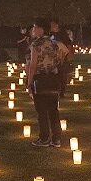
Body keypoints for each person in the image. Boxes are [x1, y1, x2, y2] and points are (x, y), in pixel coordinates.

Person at [27, 18, 68, 148]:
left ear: (40, 29)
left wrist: (29, 82)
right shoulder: (55, 43)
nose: (33, 30)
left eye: (34, 27)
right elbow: (65, 52)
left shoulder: (36, 44)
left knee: (42, 111)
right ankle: (56, 139)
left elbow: (33, 65)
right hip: (54, 79)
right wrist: (56, 64)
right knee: (54, 111)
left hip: (41, 80)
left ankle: (44, 138)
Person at [50, 17, 74, 97]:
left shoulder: (62, 34)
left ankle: (61, 92)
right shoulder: (49, 34)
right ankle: (55, 90)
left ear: (56, 25)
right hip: (53, 58)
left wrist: (69, 54)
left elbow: (68, 44)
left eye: (52, 24)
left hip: (63, 57)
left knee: (62, 74)